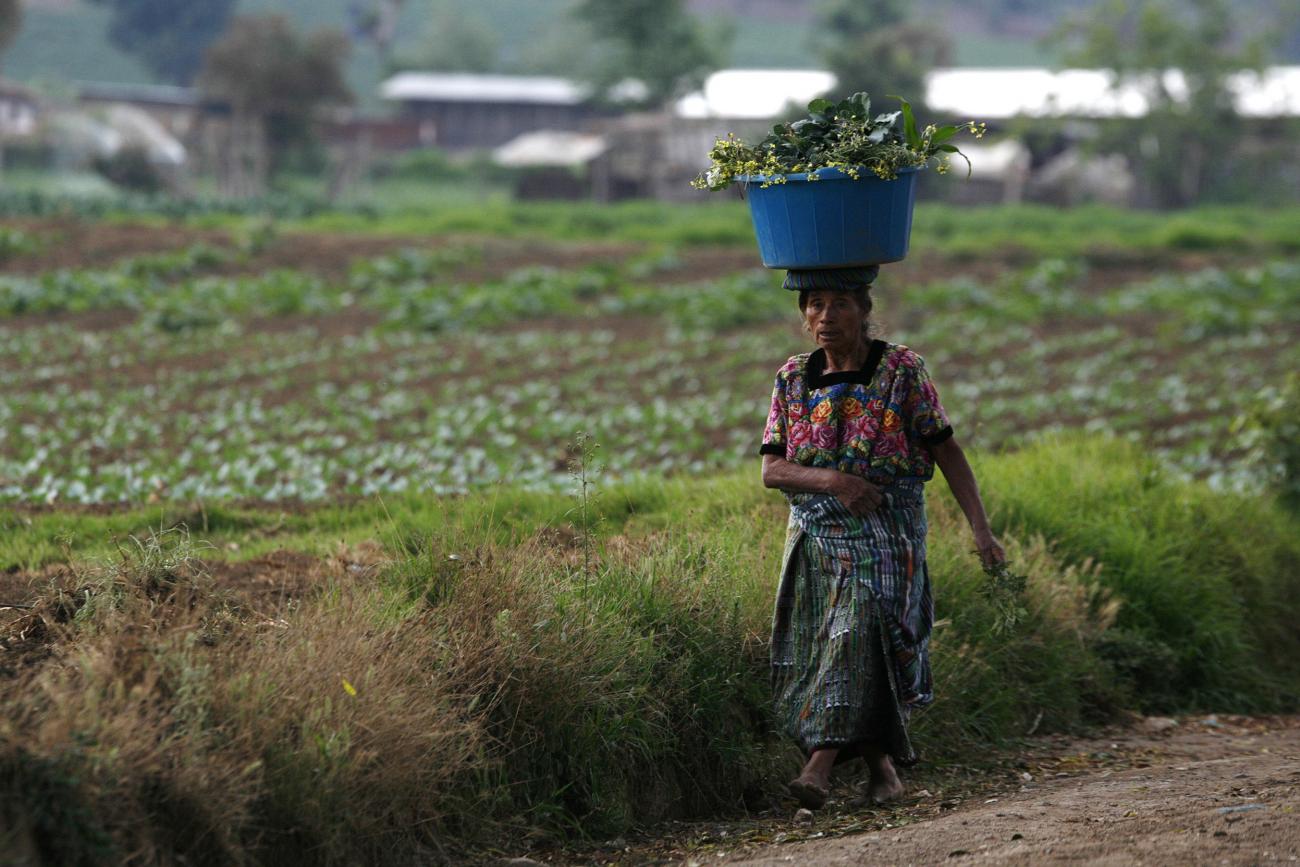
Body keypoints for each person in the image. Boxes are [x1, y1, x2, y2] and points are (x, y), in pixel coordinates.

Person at [758, 265, 1006, 810]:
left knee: (861, 629)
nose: (826, 316)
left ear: (865, 311)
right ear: (804, 316)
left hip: (888, 533)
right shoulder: (792, 379)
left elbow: (946, 450)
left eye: (841, 304)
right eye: (815, 304)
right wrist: (835, 481)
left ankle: (818, 769)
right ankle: (884, 773)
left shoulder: (901, 370)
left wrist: (981, 530)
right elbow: (773, 471)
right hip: (819, 535)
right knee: (835, 644)